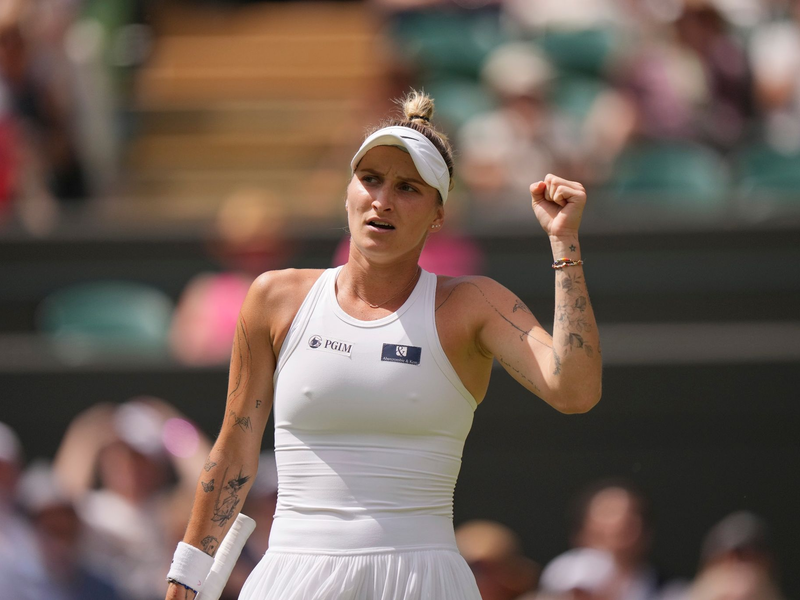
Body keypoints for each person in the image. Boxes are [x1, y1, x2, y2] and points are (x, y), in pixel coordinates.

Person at [164, 90, 602, 600]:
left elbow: (574, 391)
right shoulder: (273, 298)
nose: (383, 200)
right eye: (370, 179)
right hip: (290, 577)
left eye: (408, 187)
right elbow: (234, 451)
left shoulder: (474, 303)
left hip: (425, 583)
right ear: (348, 191)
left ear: (438, 214)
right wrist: (186, 576)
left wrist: (564, 242)